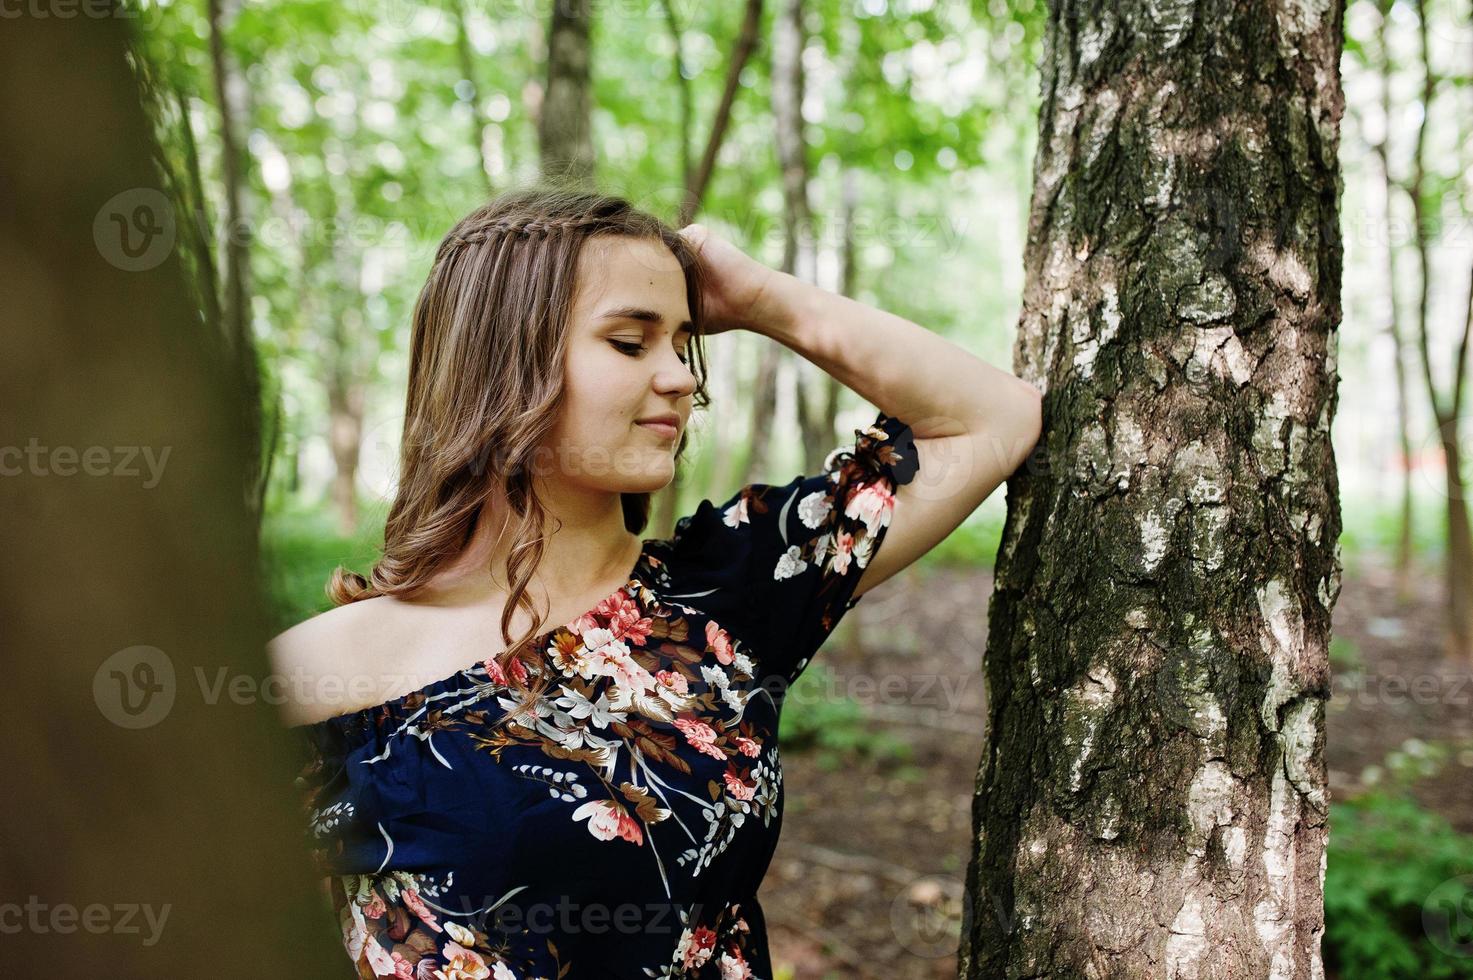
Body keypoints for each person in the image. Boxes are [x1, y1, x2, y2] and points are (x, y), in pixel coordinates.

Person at [268, 185, 1042, 978]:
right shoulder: (316, 678)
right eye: (631, 343)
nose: (680, 377)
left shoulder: (725, 592)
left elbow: (993, 419)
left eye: (683, 343)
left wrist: (758, 296)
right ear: (501, 361)